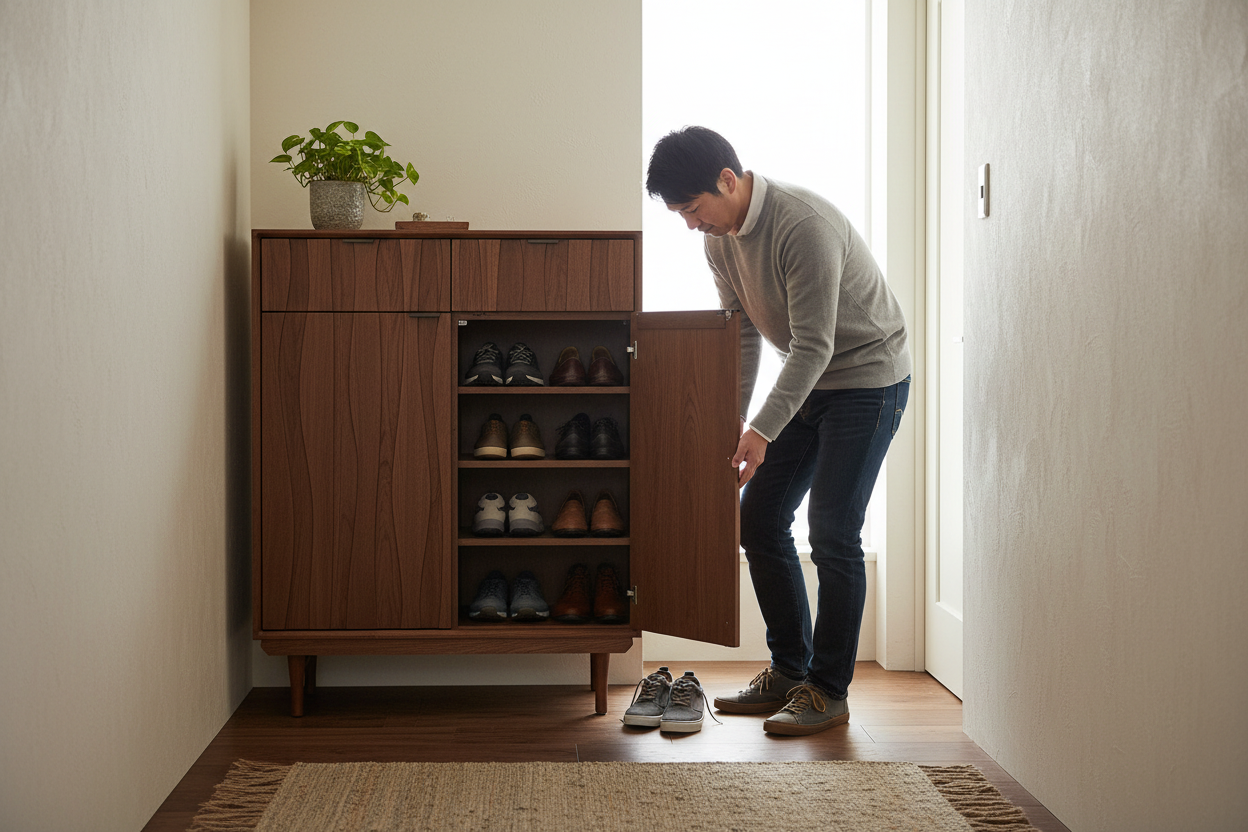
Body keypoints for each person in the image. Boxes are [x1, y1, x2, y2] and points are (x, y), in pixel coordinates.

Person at [645, 126, 912, 735]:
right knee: (760, 518)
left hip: (867, 379)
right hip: (811, 382)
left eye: (693, 209)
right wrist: (733, 417)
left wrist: (763, 431)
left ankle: (828, 691)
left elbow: (815, 345)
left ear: (728, 180)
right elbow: (739, 330)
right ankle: (790, 672)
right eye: (680, 214)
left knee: (834, 532)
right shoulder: (719, 243)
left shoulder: (803, 225)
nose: (690, 224)